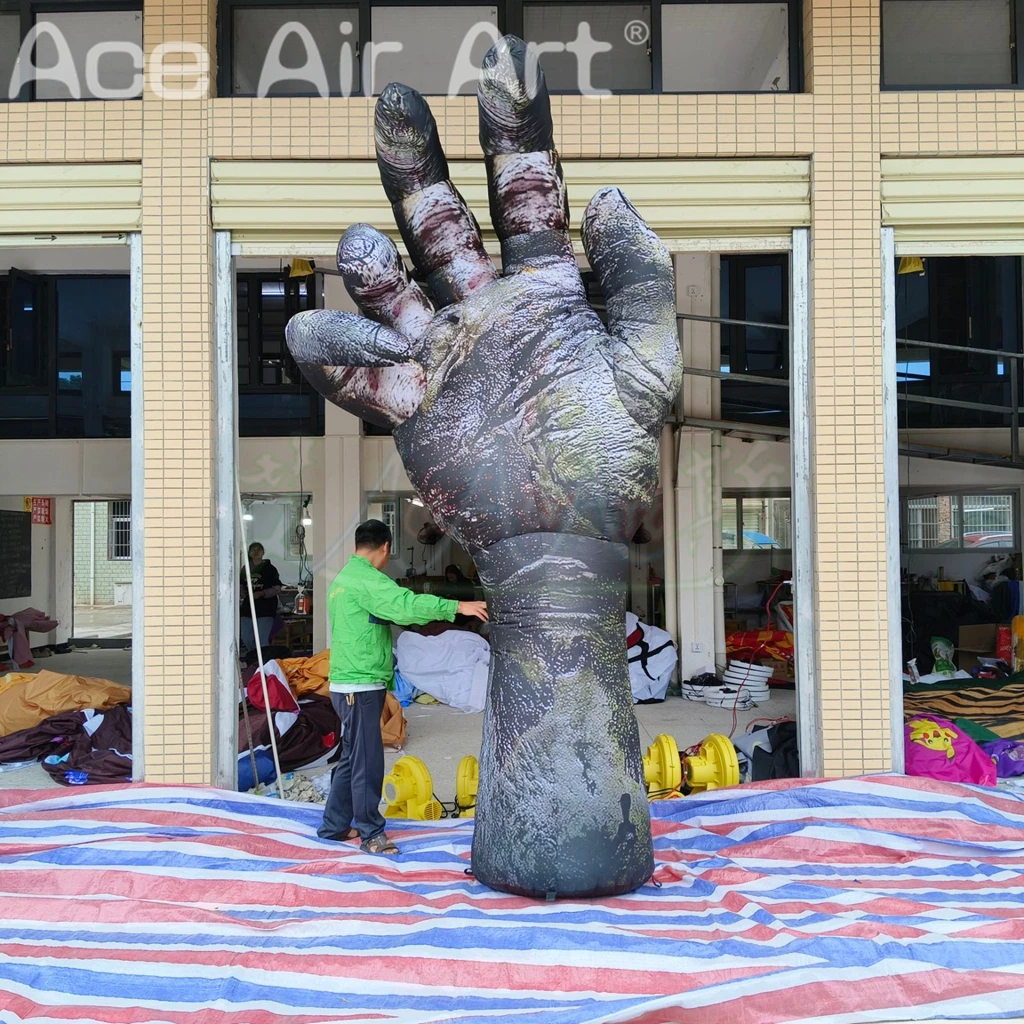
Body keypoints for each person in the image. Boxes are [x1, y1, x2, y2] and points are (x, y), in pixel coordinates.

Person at [320, 519, 488, 855]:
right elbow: (406, 604)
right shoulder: (367, 581)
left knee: (352, 756)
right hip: (360, 684)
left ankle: (334, 826)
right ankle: (371, 834)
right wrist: (457, 607)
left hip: (346, 682)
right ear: (384, 548)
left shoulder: (341, 580)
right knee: (367, 761)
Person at [240, 542, 282, 655]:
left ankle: (263, 663)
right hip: (247, 608)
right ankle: (254, 658)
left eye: (259, 549)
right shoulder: (245, 569)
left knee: (262, 640)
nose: (256, 551)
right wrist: (241, 591)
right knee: (246, 638)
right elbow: (240, 584)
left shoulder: (270, 569)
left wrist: (262, 593)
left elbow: (277, 588)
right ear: (249, 553)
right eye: (253, 549)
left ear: (263, 552)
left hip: (265, 610)